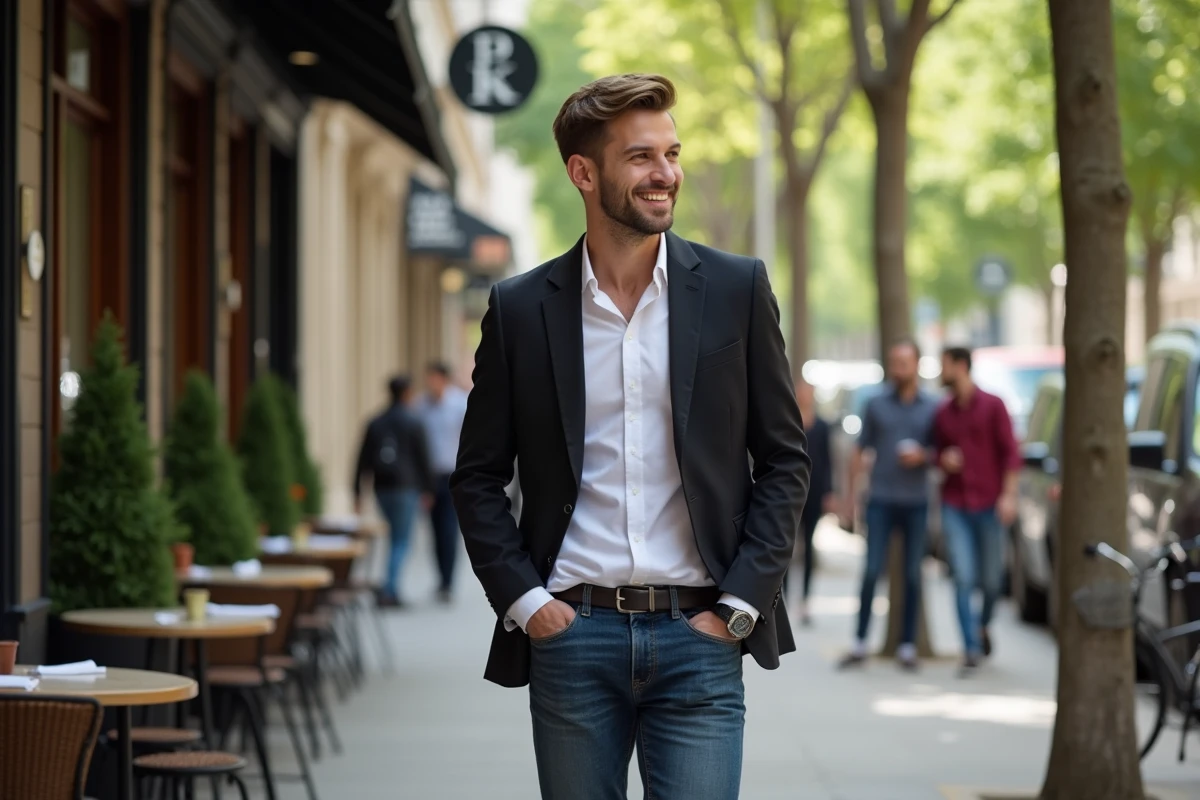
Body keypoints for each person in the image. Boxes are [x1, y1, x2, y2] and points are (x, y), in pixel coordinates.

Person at [450, 73, 810, 800]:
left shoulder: (737, 289)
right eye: (641, 157)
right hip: (572, 635)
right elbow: (478, 475)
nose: (666, 174)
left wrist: (741, 604)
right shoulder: (521, 309)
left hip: (700, 636)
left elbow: (783, 460)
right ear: (584, 173)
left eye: (672, 154)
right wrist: (527, 603)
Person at [838, 339, 938, 672]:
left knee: (912, 574)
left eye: (904, 362)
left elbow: (943, 453)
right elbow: (859, 450)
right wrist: (850, 496)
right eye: (894, 362)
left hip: (916, 501)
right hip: (880, 498)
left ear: (917, 365)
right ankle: (859, 641)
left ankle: (907, 645)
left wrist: (923, 456)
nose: (898, 368)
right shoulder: (876, 404)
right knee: (870, 572)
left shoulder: (932, 407)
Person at [933, 346, 1021, 674]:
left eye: (944, 365)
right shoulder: (943, 413)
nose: (940, 372)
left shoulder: (994, 406)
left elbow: (1012, 454)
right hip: (955, 504)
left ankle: (982, 626)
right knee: (963, 578)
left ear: (960, 366)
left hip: (989, 504)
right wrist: (942, 460)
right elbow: (935, 453)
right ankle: (970, 647)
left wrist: (1009, 496)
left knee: (993, 581)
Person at [353, 375, 434, 609]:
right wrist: (428, 489)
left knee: (394, 538)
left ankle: (389, 587)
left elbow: (361, 459)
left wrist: (358, 491)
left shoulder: (375, 422)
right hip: (405, 487)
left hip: (382, 487)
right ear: (407, 392)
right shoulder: (413, 422)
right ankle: (390, 590)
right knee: (400, 540)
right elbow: (424, 458)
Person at [415, 361, 469, 604]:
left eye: (434, 378)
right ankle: (441, 579)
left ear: (444, 379)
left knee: (449, 529)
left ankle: (448, 581)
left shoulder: (460, 403)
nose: (430, 383)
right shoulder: (421, 406)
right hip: (429, 477)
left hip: (454, 474)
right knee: (435, 530)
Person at [788, 379, 835, 625]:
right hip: (790, 493)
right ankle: (782, 598)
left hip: (815, 492)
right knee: (785, 547)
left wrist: (830, 492)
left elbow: (828, 461)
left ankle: (806, 601)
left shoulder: (823, 426)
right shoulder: (787, 421)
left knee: (808, 546)